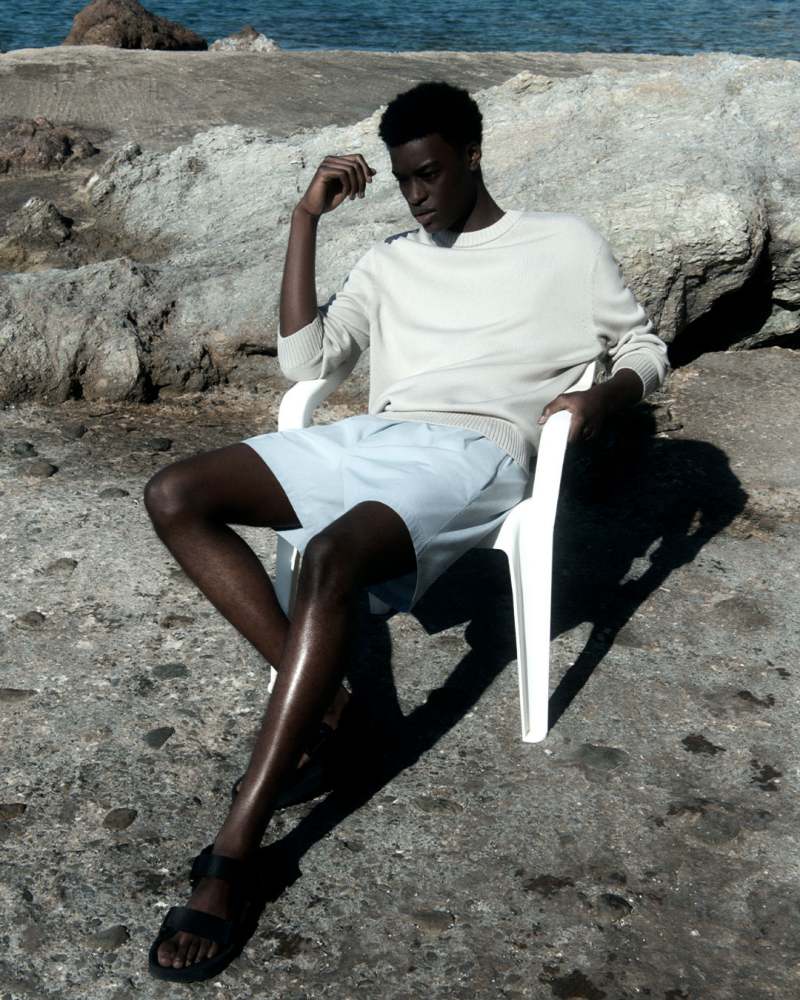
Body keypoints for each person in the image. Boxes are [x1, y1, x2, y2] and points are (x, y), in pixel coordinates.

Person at [145, 80, 669, 980]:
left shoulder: (564, 243)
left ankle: (235, 849)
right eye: (403, 180)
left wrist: (600, 398)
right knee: (174, 494)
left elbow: (645, 348)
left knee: (331, 556)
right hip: (375, 437)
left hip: (478, 451)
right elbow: (305, 361)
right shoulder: (389, 260)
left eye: (430, 173)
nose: (417, 195)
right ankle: (335, 712)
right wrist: (304, 218)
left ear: (472, 154)